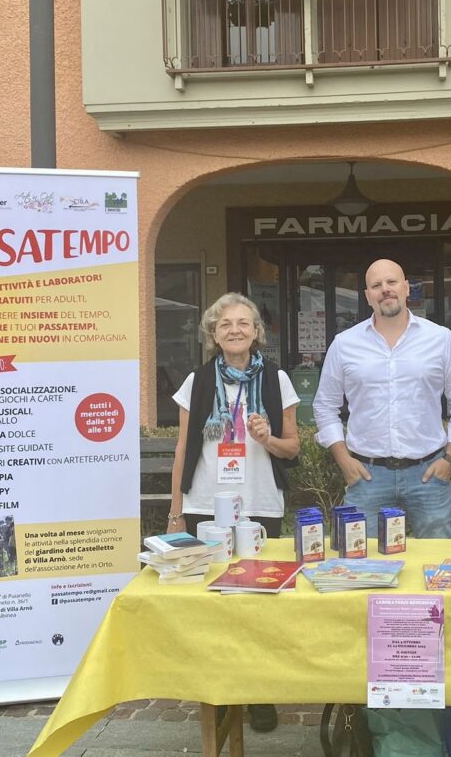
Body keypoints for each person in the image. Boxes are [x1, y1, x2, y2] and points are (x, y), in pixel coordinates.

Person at [168, 292, 300, 734]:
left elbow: (292, 448)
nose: (235, 330)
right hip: (206, 506)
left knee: (260, 605)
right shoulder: (198, 380)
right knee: (213, 606)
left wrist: (267, 439)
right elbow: (183, 448)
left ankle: (260, 692)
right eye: (225, 324)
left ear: (256, 332)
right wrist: (175, 512)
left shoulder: (277, 379)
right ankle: (221, 692)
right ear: (213, 334)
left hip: (259, 505)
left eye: (243, 323)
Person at [313, 259, 451, 539]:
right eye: (376, 285)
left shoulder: (440, 339)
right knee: (360, 559)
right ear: (368, 296)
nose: (385, 289)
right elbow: (325, 406)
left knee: (436, 559)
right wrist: (343, 460)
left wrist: (450, 458)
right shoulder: (345, 344)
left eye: (391, 282)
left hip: (429, 474)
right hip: (366, 476)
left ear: (406, 288)